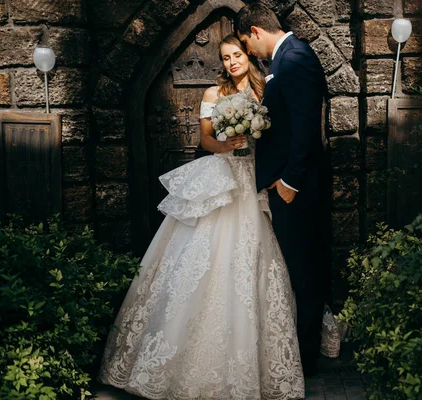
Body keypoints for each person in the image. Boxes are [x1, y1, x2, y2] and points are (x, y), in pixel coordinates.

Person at [98, 34, 304, 400]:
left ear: (247, 55)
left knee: (252, 258)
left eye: (236, 55)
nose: (231, 62)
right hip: (223, 177)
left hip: (254, 180)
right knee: (201, 259)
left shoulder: (267, 92)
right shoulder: (213, 94)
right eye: (225, 58)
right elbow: (207, 139)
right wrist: (227, 143)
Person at [235, 3, 332, 376]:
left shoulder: (294, 58)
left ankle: (307, 359)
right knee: (295, 269)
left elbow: (307, 127)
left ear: (256, 32)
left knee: (304, 270)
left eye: (247, 43)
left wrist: (290, 182)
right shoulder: (283, 61)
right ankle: (300, 350)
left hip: (297, 189)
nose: (249, 52)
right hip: (286, 186)